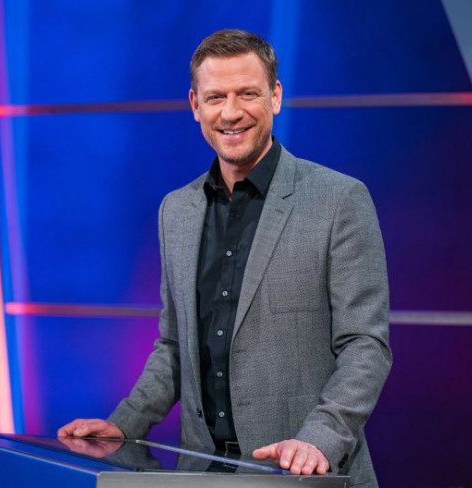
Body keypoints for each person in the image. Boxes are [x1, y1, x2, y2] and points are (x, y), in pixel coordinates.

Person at [59, 29, 392, 487]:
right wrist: (125, 423)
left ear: (275, 97)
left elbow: (365, 346)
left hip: (304, 474)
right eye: (216, 97)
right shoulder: (176, 210)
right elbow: (174, 346)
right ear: (195, 105)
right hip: (201, 475)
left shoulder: (338, 200)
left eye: (247, 94)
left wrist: (319, 438)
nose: (231, 112)